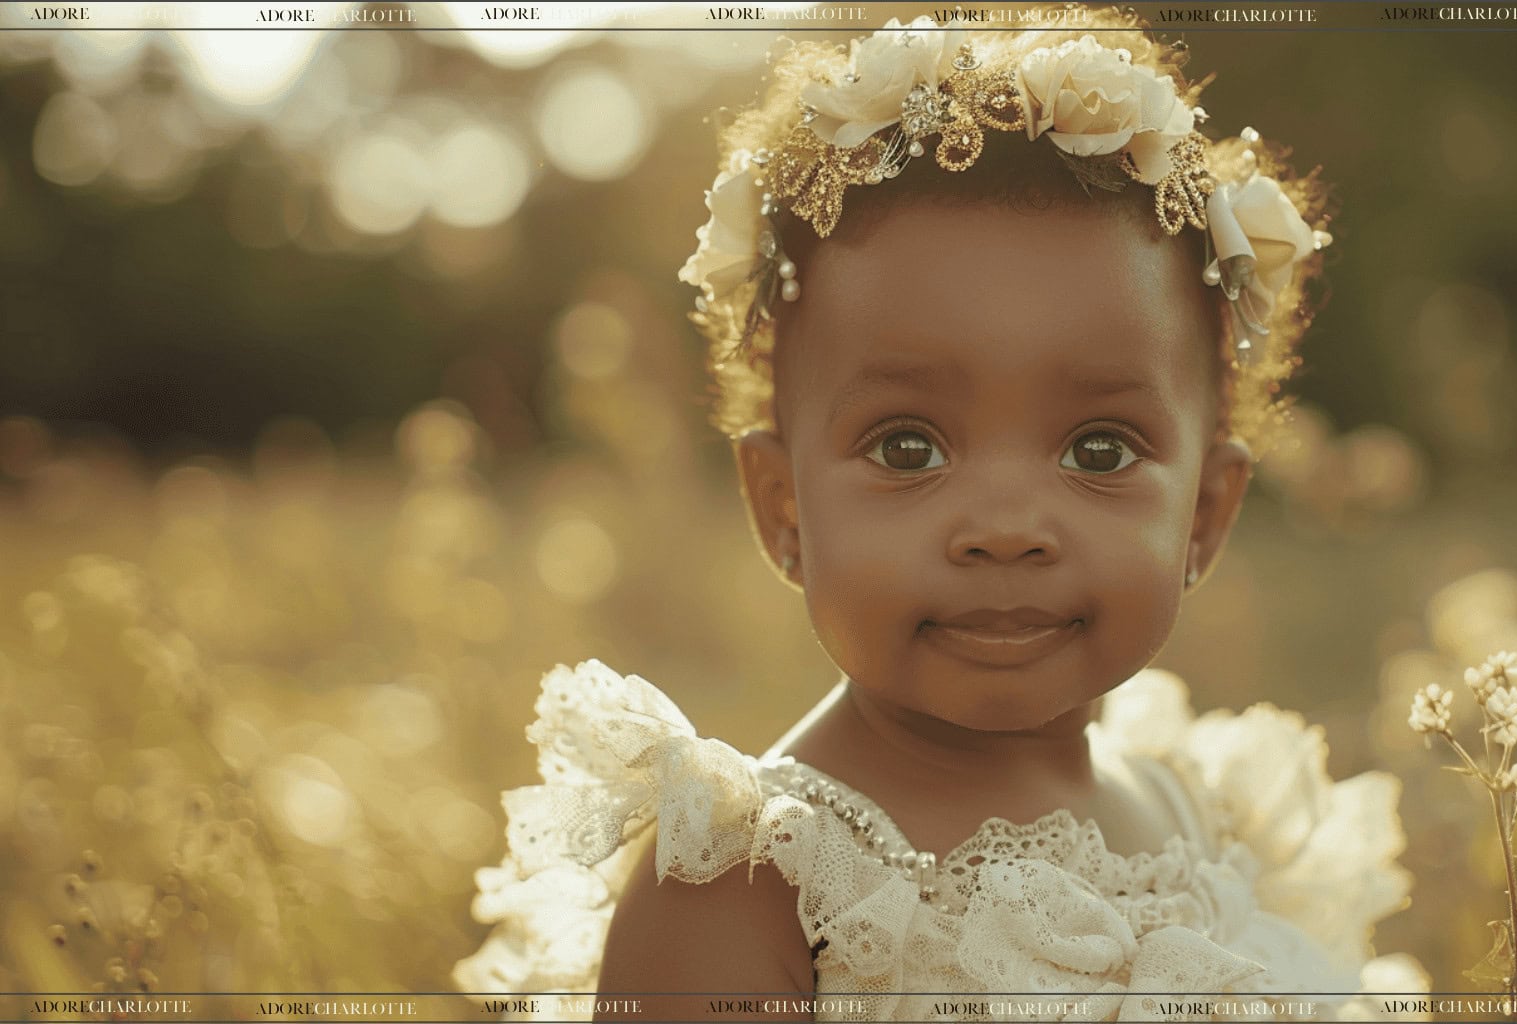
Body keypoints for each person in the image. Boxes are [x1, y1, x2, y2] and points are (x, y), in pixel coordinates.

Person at [455, 9, 1430, 1020]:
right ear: (782, 508)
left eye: (1098, 451)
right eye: (906, 447)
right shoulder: (753, 885)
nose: (1005, 524)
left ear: (1205, 519)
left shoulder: (1216, 817)